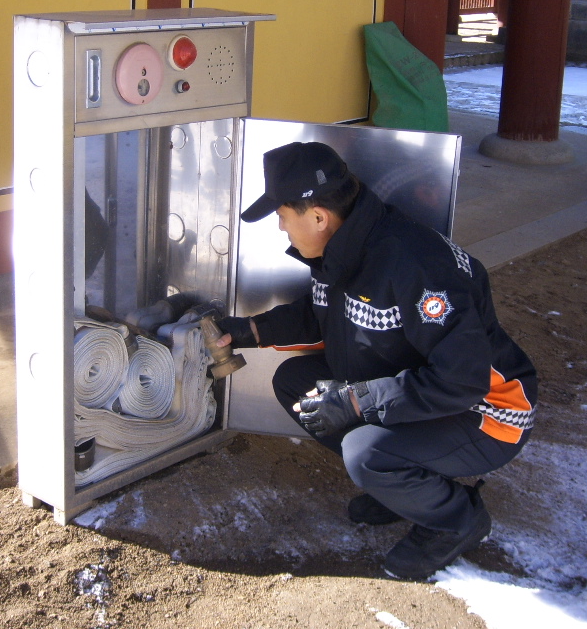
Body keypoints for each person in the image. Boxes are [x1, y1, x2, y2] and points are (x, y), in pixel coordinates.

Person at [218, 141, 537, 580]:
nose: (280, 226)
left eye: (283, 216)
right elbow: (324, 313)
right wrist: (250, 331)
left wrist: (356, 400)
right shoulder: (346, 245)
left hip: (486, 411)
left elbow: (462, 380)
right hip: (426, 389)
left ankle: (456, 520)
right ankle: (404, 488)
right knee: (296, 383)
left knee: (365, 453)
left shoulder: (415, 265)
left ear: (318, 217)